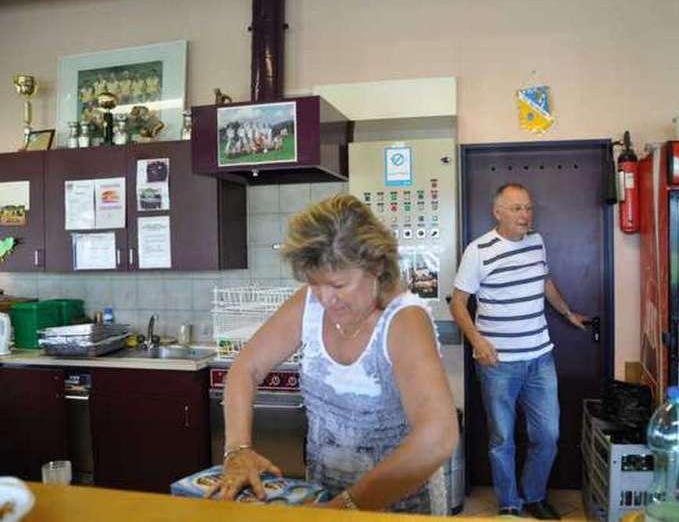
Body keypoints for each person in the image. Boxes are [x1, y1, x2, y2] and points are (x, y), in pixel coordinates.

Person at [209, 194, 458, 513]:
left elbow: (438, 435)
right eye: (315, 284)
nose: (327, 299)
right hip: (322, 498)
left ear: (377, 265)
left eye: (339, 285)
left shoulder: (404, 320)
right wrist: (237, 449)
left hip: (400, 510)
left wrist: (346, 507)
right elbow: (246, 368)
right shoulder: (308, 304)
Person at [450, 183, 587, 519]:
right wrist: (478, 342)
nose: (525, 215)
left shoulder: (537, 242)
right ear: (497, 212)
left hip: (540, 357)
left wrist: (567, 313)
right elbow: (458, 304)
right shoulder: (478, 250)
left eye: (528, 208)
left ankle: (534, 495)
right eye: (516, 208)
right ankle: (510, 504)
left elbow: (545, 282)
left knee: (548, 435)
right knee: (502, 440)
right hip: (498, 364)